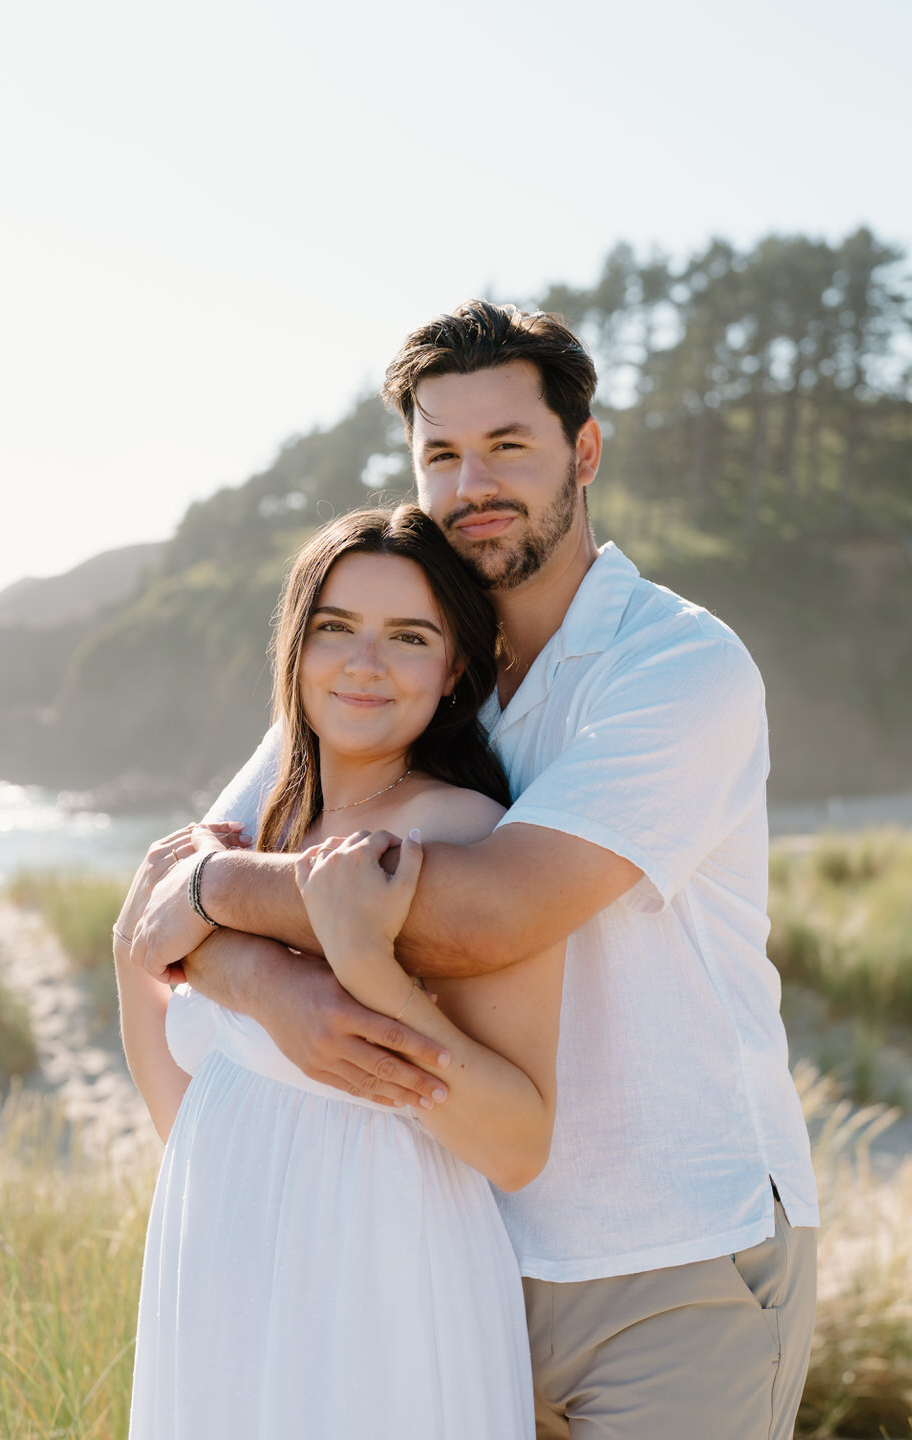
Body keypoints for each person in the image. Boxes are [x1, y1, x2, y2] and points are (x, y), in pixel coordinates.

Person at [134, 301, 820, 1440]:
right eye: (441, 454)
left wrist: (224, 908)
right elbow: (171, 881)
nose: (472, 483)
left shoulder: (677, 668)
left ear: (584, 452)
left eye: (509, 445)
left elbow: (485, 916)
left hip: (665, 1263)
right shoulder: (410, 665)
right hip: (455, 1248)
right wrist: (266, 983)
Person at [114, 505, 565, 1440]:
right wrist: (137, 955)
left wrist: (367, 965)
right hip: (223, 1273)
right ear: (296, 649)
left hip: (382, 1295)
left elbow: (519, 1142)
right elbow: (196, 1102)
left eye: (408, 636)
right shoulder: (258, 828)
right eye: (335, 628)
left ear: (454, 673)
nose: (365, 663)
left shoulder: (461, 833)